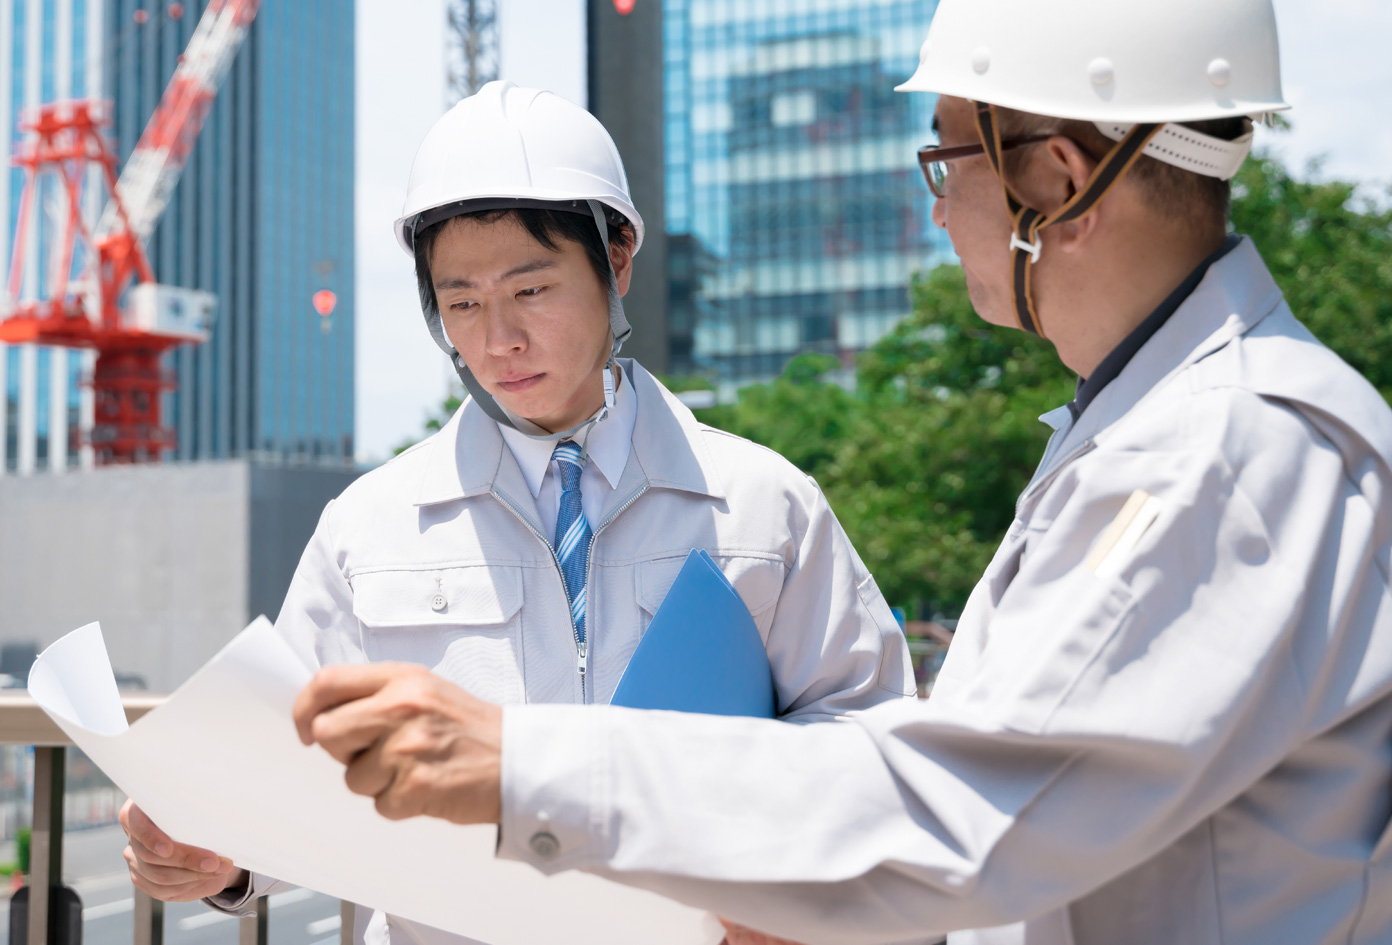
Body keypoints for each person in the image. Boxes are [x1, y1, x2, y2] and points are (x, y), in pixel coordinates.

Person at [289, 2, 1392, 944]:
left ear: (1058, 176)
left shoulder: (1218, 455)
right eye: (462, 302)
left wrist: (529, 764)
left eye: (946, 154)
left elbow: (959, 806)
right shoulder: (1156, 430)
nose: (934, 202)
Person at [117, 81, 916, 944]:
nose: (497, 340)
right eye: (461, 303)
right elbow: (294, 770)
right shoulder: (371, 527)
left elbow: (870, 742)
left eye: (531, 291)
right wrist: (220, 853)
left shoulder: (763, 504)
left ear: (617, 258)